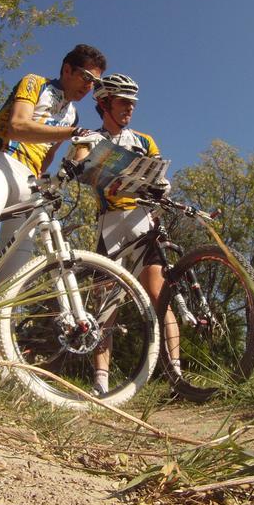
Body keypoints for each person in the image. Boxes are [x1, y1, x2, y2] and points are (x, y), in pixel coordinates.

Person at [0, 44, 107, 352]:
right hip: (1, 161)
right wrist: (71, 134)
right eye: (86, 78)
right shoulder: (35, 82)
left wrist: (80, 160)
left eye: (96, 84)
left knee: (14, 280)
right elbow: (18, 125)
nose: (90, 88)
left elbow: (49, 157)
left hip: (29, 180)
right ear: (67, 69)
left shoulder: (73, 111)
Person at [72, 73, 180, 394]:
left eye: (132, 104)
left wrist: (161, 185)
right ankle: (100, 383)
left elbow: (160, 173)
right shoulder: (90, 136)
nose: (129, 109)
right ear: (104, 103)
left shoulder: (144, 140)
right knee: (105, 306)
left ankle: (177, 375)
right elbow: (80, 167)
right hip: (110, 222)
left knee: (160, 299)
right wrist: (92, 167)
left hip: (143, 219)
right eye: (123, 103)